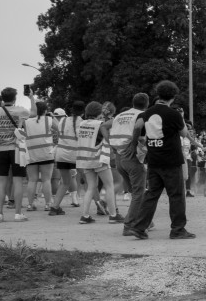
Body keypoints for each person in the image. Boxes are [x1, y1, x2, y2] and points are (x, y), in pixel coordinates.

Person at [127, 80, 195, 239]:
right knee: (176, 195)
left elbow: (137, 127)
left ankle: (139, 227)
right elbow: (184, 134)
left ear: (158, 94)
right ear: (174, 95)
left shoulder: (147, 113)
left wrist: (134, 142)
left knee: (151, 195)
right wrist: (182, 118)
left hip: (154, 160)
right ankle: (178, 230)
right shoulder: (174, 114)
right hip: (171, 160)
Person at [75, 101, 125, 224]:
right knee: (109, 186)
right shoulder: (99, 124)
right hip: (99, 158)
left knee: (91, 188)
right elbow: (107, 137)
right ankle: (113, 215)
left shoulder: (81, 124)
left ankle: (85, 216)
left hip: (85, 160)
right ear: (99, 113)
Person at [109, 92, 149, 233]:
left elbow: (108, 129)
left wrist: (115, 150)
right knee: (139, 192)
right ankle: (129, 225)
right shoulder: (142, 115)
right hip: (131, 156)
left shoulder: (120, 116)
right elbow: (139, 131)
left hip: (119, 157)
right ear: (146, 104)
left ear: (133, 102)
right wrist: (133, 144)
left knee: (135, 191)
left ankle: (147, 222)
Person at [0, 86, 33, 222]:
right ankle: (18, 214)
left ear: (2, 97)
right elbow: (35, 112)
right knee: (18, 181)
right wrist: (30, 97)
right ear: (14, 98)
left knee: (1, 183)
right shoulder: (21, 110)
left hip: (0, 150)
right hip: (17, 150)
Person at [21, 99, 56, 212]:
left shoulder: (26, 122)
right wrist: (52, 116)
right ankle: (48, 204)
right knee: (46, 180)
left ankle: (30, 205)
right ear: (45, 110)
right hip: (46, 153)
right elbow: (60, 128)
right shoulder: (49, 119)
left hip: (31, 154)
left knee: (32, 180)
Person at [49, 101, 83, 215]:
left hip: (61, 154)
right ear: (82, 112)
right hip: (76, 155)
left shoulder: (63, 120)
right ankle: (99, 205)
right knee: (90, 182)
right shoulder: (81, 122)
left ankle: (55, 207)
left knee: (65, 183)